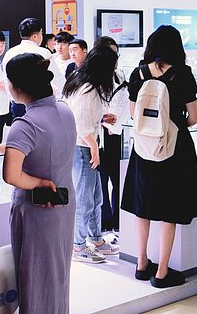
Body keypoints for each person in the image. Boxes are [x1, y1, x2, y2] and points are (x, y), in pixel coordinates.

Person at [122, 25, 197, 288]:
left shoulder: (138, 73)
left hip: (144, 147)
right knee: (169, 209)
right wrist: (175, 125)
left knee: (143, 205)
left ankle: (141, 263)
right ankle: (162, 272)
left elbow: (134, 114)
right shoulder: (183, 74)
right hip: (174, 148)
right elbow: (194, 117)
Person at [2, 54, 76, 314]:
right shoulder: (65, 111)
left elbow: (11, 175)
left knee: (34, 278)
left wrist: (37, 182)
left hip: (36, 210)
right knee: (57, 277)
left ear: (17, 86)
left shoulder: (25, 124)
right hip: (63, 206)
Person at [63, 45, 121, 263]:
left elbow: (82, 117)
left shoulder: (85, 84)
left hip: (85, 146)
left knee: (96, 196)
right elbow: (80, 125)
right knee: (85, 199)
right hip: (82, 148)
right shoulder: (88, 90)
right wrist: (94, 148)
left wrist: (101, 118)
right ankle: (78, 246)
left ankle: (95, 239)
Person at [94, 36, 125, 234]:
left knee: (117, 177)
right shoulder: (90, 78)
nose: (114, 58)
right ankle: (104, 220)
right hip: (97, 136)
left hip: (117, 133)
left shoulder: (119, 75)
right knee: (101, 180)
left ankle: (119, 220)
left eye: (116, 54)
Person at [3, 18, 53, 119]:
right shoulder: (44, 52)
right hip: (40, 103)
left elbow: (6, 79)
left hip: (16, 103)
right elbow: (56, 79)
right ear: (35, 36)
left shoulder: (10, 53)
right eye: (41, 33)